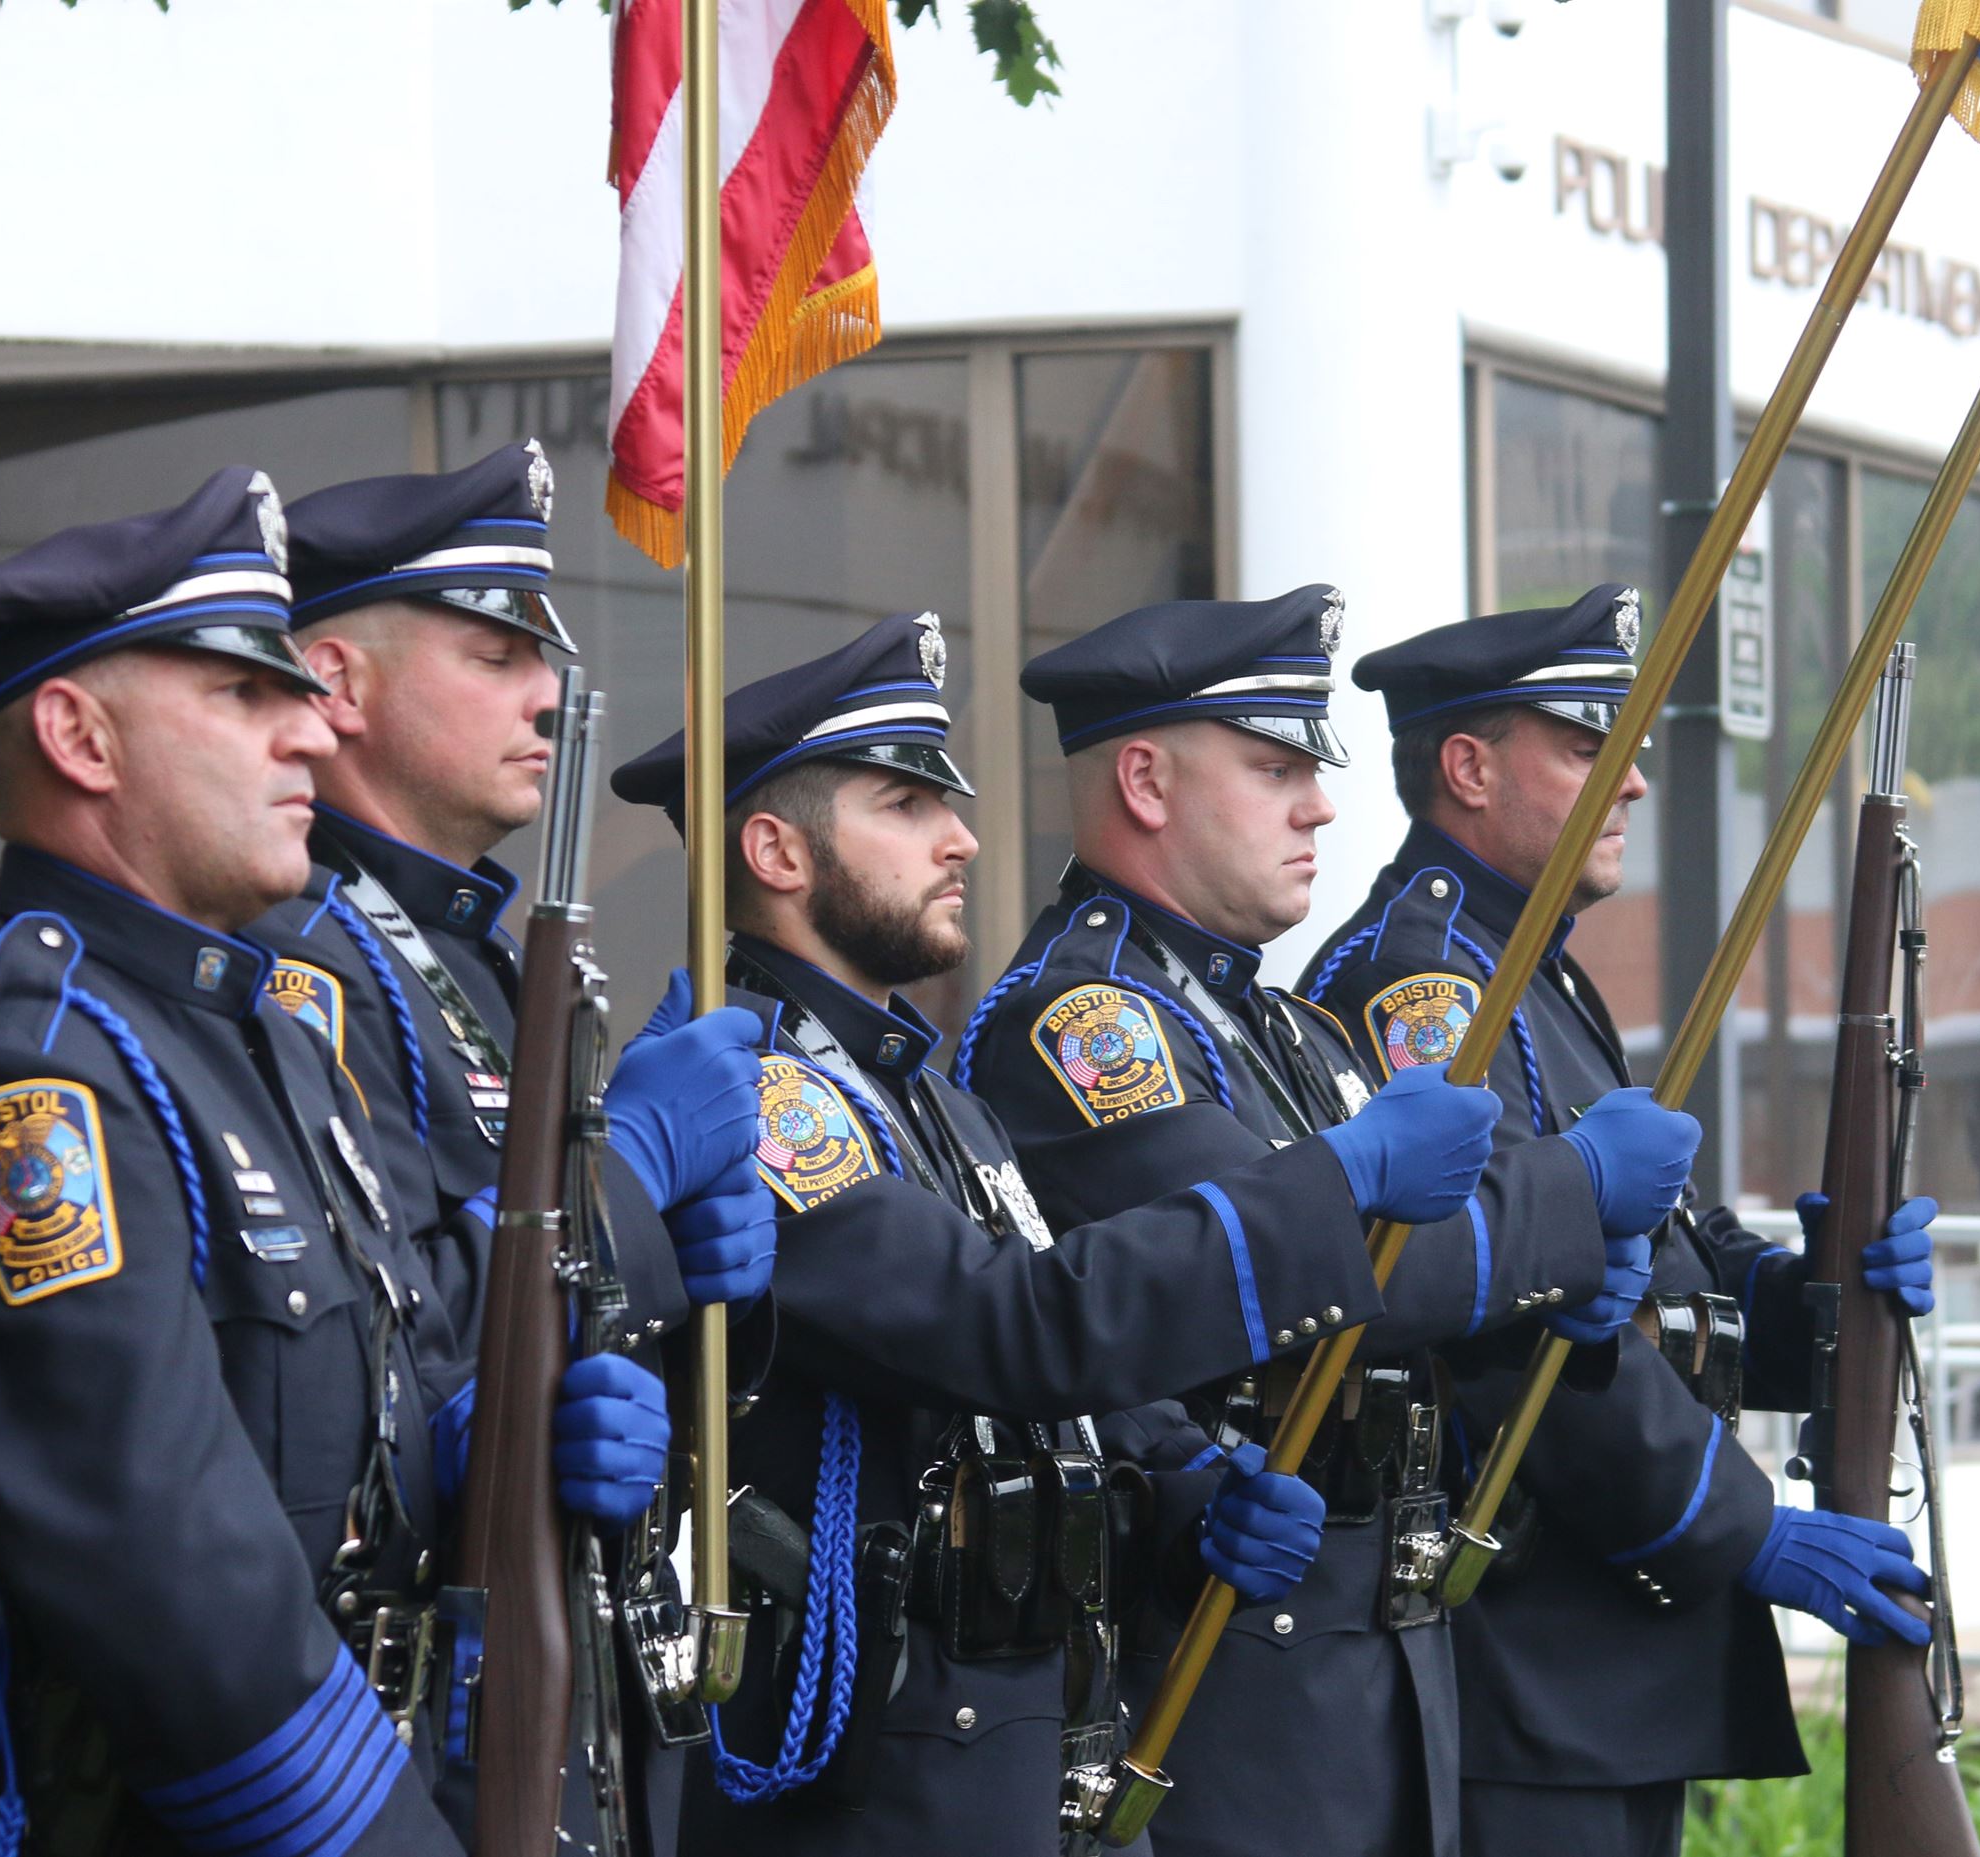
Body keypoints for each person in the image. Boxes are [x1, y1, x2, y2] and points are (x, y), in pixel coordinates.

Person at [0, 469, 713, 1857]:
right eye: (245, 693)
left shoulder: (252, 1034)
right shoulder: (33, 1085)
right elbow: (180, 1599)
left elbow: (363, 1412)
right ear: (78, 736)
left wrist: (493, 1443)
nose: (309, 727)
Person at [608, 609, 1506, 1856]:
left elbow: (1042, 1369)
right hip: (879, 1776)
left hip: (1013, 1735)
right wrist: (1337, 1179)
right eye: (904, 805)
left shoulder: (918, 1091)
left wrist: (1180, 1486)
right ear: (774, 851)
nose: (961, 838)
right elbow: (1006, 1329)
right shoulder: (755, 1097)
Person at [956, 585, 1665, 1857]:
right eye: (1275, 769)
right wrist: (1571, 1198)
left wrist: (1572, 1280)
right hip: (1238, 1664)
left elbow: (1421, 1250)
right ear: (1145, 782)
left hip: (1369, 1649)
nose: (1320, 806)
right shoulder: (1088, 1023)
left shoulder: (1270, 1022)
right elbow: (1340, 1275)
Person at [1303, 584, 1941, 1857]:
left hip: (1603, 1648)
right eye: (1588, 746)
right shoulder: (1421, 984)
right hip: (1528, 1649)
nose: (1634, 781)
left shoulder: (1528, 968)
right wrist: (1736, 1523)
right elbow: (1496, 1319)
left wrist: (1807, 1293)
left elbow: (1653, 1256)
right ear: (1469, 769)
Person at [246, 440, 772, 1851]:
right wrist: (631, 1178)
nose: (544, 692)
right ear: (337, 684)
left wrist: (674, 1265)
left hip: (570, 1658)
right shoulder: (306, 961)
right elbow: (379, 1326)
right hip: (417, 1703)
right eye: (493, 652)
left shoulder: (492, 951)